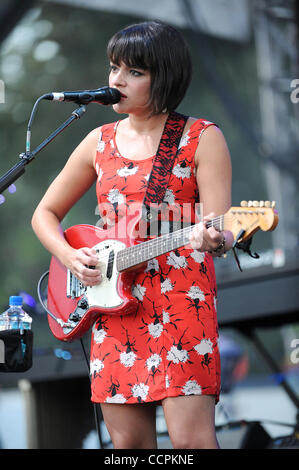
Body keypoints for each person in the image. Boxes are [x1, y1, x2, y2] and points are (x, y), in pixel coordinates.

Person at [31, 20, 233, 449]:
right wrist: (70, 258)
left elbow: (222, 228)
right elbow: (45, 213)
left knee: (193, 443)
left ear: (165, 78)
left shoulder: (202, 138)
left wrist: (214, 238)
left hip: (182, 302)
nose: (116, 80)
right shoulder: (97, 141)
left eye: (134, 72)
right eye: (113, 68)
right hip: (113, 307)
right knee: (129, 448)